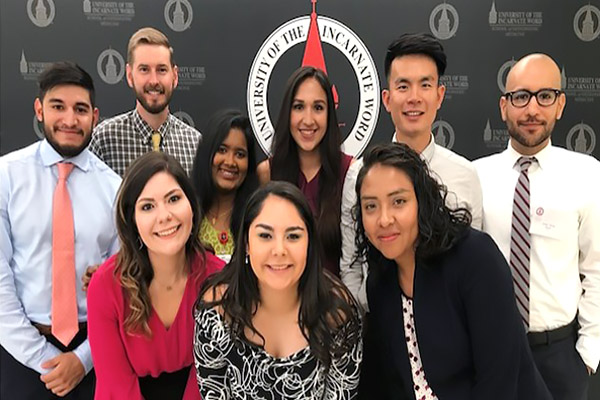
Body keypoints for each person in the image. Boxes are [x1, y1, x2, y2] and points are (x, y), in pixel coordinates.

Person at [356, 143, 550, 400]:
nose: (384, 219)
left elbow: (499, 381)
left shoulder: (475, 258)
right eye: (371, 206)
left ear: (421, 202)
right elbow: (393, 383)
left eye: (398, 201)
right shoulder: (379, 283)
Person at [474, 53, 600, 400]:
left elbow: (597, 268)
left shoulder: (587, 174)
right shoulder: (476, 177)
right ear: (504, 107)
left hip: (560, 355)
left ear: (559, 105)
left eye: (545, 96)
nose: (532, 109)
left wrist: (587, 353)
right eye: (520, 97)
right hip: (491, 351)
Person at [0, 62, 121, 399]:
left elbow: (125, 283)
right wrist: (46, 360)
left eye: (80, 109)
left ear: (94, 116)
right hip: (19, 356)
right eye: (58, 107)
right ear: (39, 110)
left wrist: (83, 360)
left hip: (95, 354)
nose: (69, 119)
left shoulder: (115, 189)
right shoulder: (6, 177)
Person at [340, 33, 483, 309]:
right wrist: (373, 312)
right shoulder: (359, 174)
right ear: (387, 98)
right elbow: (351, 263)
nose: (414, 98)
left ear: (439, 95)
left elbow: (471, 263)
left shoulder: (465, 175)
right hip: (382, 331)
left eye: (425, 85)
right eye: (403, 86)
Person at [194, 181, 362, 399]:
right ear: (246, 242)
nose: (279, 250)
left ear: (309, 243)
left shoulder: (337, 314)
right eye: (265, 236)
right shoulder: (216, 312)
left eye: (293, 236)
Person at [87, 152, 224, 399]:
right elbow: (115, 384)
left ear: (191, 206)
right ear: (133, 220)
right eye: (148, 206)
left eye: (173, 199)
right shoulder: (105, 286)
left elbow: (212, 376)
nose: (164, 216)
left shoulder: (219, 280)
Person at [257, 66, 353, 275]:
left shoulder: (350, 172)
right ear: (286, 113)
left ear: (330, 114)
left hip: (335, 301)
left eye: (318, 108)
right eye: (299, 107)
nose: (308, 120)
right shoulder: (266, 173)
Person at [89, 26, 201, 177]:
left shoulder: (195, 143)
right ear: (129, 75)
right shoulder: (104, 140)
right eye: (144, 70)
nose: (154, 81)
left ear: (174, 76)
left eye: (161, 70)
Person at [191, 109, 259, 261]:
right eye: (222, 150)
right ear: (207, 153)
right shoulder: (187, 214)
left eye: (240, 154)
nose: (230, 162)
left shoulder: (258, 217)